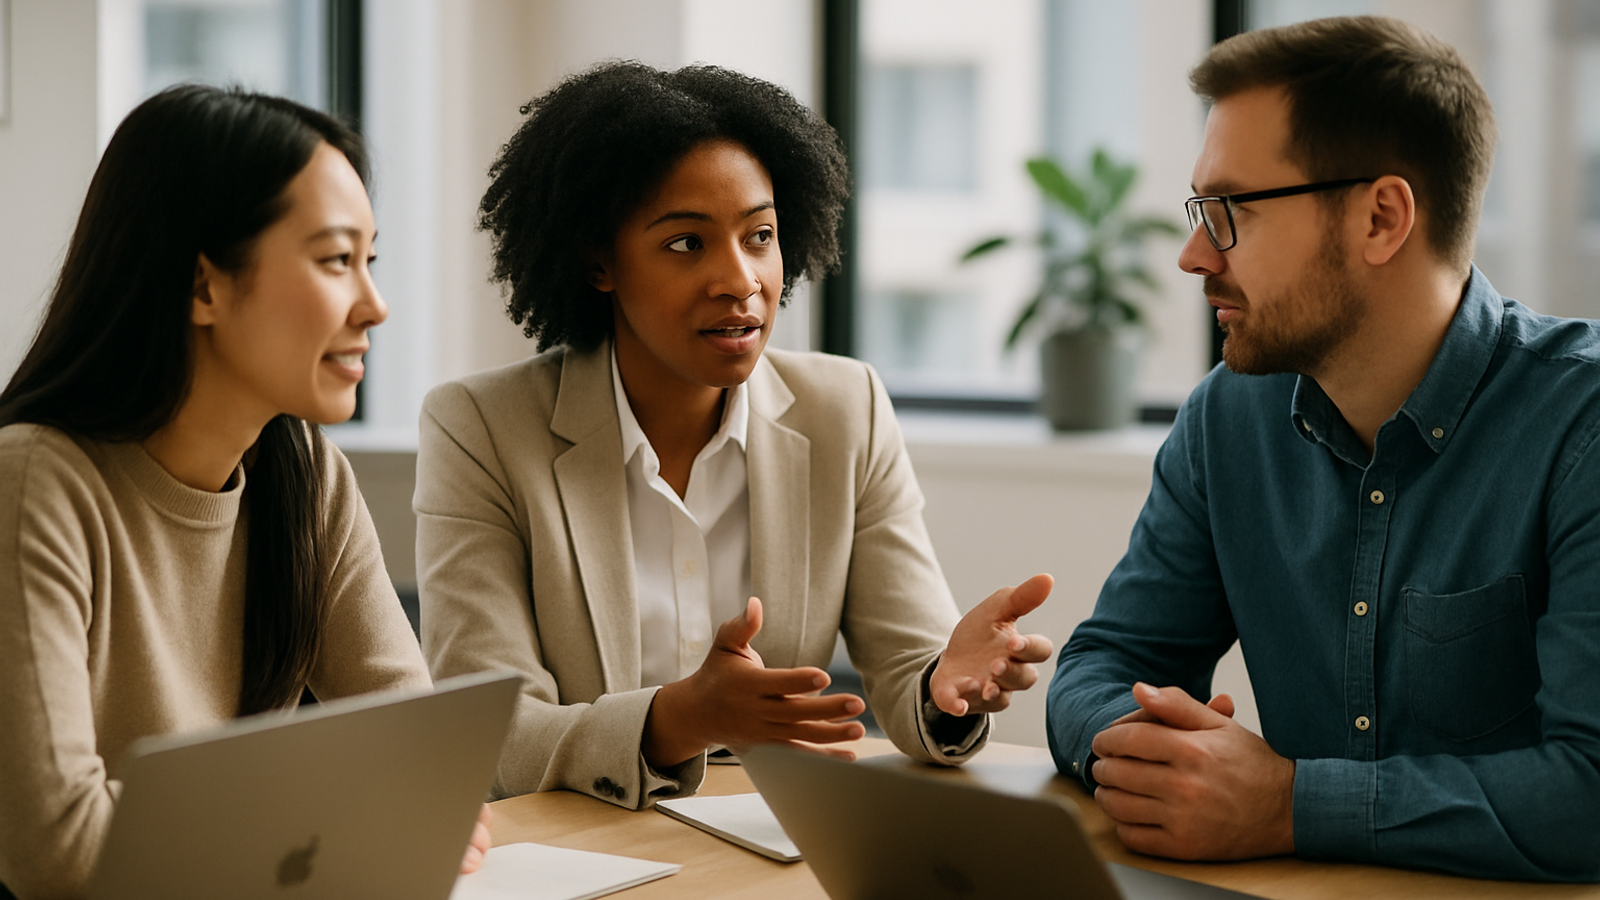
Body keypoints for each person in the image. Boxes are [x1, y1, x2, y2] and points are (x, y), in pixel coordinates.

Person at [1045, 14, 1600, 883]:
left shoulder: (1584, 427)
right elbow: (1104, 664)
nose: (1193, 255)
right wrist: (1150, 753)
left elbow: (1588, 791)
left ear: (1381, 218)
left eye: (1229, 212)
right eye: (1199, 211)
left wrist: (1286, 803)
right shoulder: (1225, 422)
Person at [416, 61, 1055, 809]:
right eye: (687, 243)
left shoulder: (846, 408)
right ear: (599, 263)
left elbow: (911, 661)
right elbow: (492, 735)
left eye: (760, 236)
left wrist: (946, 686)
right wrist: (676, 719)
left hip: (770, 838)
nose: (740, 279)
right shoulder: (481, 429)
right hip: (583, 848)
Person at [0, 85, 489, 899]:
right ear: (203, 286)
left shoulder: (305, 475)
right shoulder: (33, 485)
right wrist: (342, 808)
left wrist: (362, 809)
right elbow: (58, 850)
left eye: (373, 260)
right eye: (337, 260)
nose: (375, 304)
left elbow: (423, 769)